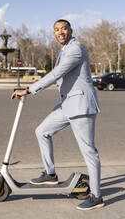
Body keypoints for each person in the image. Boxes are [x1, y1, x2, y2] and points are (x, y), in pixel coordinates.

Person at [11, 19, 103, 211]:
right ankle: (50, 175)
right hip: (67, 104)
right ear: (54, 34)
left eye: (63, 28)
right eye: (56, 30)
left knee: (89, 151)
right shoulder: (65, 49)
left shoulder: (76, 48)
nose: (60, 32)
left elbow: (57, 73)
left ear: (71, 30)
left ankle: (96, 197)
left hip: (81, 106)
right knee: (42, 131)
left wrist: (29, 89)